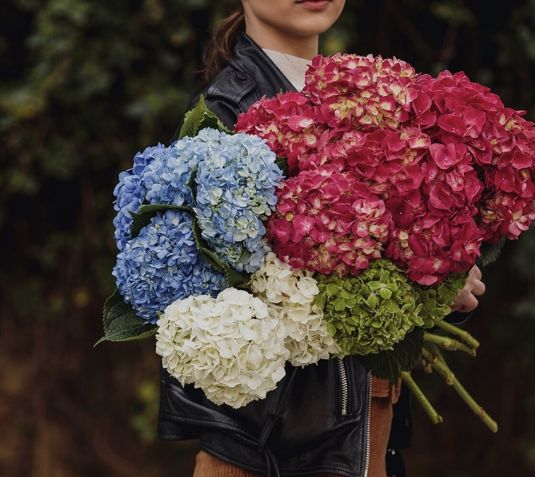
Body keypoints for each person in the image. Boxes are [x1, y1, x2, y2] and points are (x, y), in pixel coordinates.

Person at [157, 2, 487, 476]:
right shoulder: (223, 114)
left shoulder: (366, 95)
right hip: (274, 455)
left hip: (366, 433)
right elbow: (218, 320)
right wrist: (413, 288)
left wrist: (436, 269)